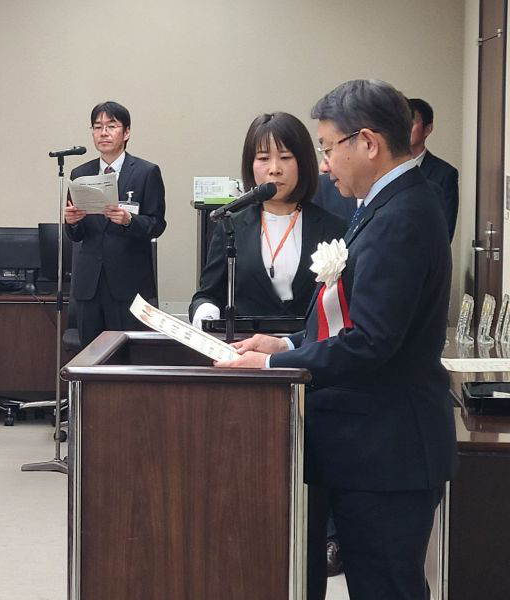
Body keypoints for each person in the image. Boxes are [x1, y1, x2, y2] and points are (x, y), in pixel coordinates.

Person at [216, 80, 457, 600]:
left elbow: (371, 340)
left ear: (367, 142)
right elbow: (351, 318)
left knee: (386, 586)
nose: (324, 165)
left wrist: (270, 369)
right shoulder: (384, 204)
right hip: (371, 444)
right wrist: (286, 345)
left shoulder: (402, 215)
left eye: (327, 148)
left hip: (388, 448)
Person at [190, 112, 346, 327]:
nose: (274, 169)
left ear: (303, 163)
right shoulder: (231, 225)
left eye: (285, 157)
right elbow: (207, 294)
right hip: (246, 343)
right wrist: (206, 312)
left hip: (310, 344)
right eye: (263, 158)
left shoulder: (333, 227)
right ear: (250, 164)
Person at [65, 101, 166, 347]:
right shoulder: (80, 173)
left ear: (126, 132)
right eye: (97, 127)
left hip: (128, 283)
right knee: (90, 354)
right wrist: (72, 223)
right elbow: (78, 235)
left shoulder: (146, 172)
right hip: (90, 284)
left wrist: (129, 221)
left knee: (126, 354)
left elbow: (157, 224)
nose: (103, 133)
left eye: (111, 126)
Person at [408, 97, 459, 241]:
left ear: (428, 129)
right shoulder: (385, 169)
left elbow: (446, 230)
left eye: (411, 123)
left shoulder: (445, 174)